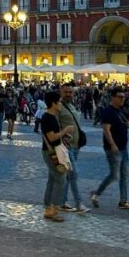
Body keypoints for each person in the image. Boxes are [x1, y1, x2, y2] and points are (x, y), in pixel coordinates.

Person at [90, 87, 129, 210]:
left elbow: (123, 123)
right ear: (113, 97)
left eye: (123, 97)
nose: (122, 99)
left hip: (123, 147)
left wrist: (128, 124)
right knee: (114, 175)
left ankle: (123, 200)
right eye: (120, 97)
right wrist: (112, 144)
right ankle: (96, 193)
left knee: (124, 175)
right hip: (113, 148)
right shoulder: (108, 111)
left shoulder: (119, 111)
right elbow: (106, 129)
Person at [56, 86, 89, 214]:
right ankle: (79, 203)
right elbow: (55, 125)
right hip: (66, 147)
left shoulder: (72, 105)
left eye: (71, 92)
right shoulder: (59, 107)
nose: (69, 94)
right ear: (61, 92)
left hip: (76, 146)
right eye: (66, 92)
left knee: (68, 176)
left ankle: (62, 202)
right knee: (73, 174)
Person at [39, 91, 70, 222]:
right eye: (59, 101)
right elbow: (51, 137)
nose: (61, 104)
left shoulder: (51, 116)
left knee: (52, 179)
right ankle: (54, 209)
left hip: (52, 151)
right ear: (53, 103)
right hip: (51, 152)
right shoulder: (48, 117)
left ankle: (48, 208)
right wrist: (65, 131)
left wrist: (64, 135)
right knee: (61, 179)